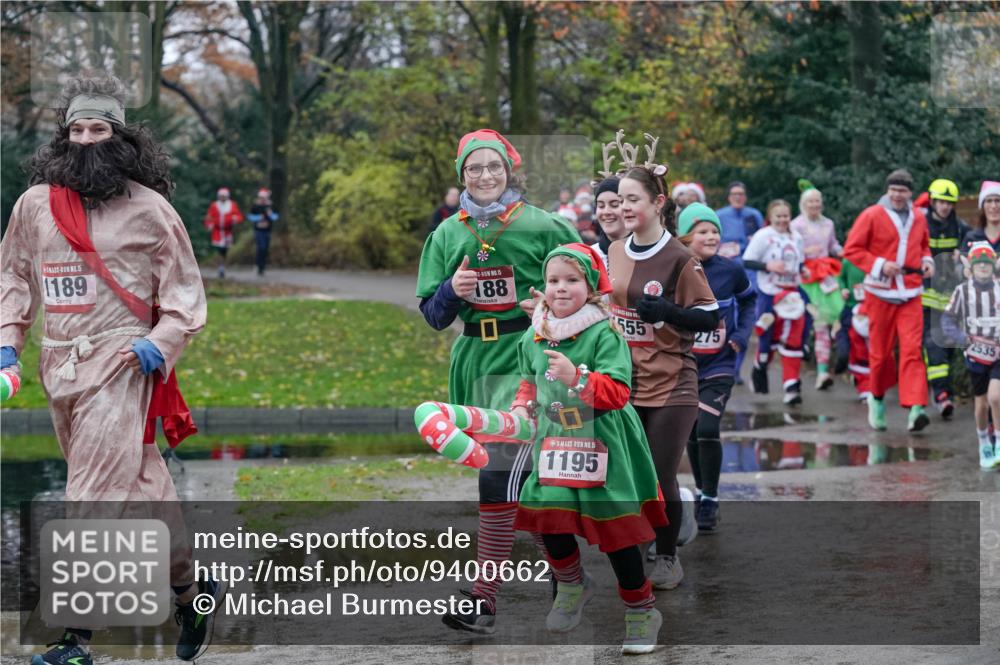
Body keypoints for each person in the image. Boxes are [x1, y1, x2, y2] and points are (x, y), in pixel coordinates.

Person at [0, 75, 220, 665]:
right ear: (62, 138)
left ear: (122, 139)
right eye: (77, 130)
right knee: (145, 487)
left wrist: (162, 339)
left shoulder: (152, 212)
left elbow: (184, 294)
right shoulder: (33, 206)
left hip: (122, 361)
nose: (87, 140)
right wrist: (7, 344)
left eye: (98, 129)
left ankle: (75, 639)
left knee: (90, 494)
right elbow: (14, 275)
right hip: (59, 365)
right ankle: (192, 595)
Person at [415, 129, 579, 633]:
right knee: (519, 480)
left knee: (508, 475)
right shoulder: (448, 234)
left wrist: (549, 305)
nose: (484, 176)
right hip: (476, 362)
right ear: (461, 175)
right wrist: (452, 288)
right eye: (473, 169)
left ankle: (485, 599)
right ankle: (567, 579)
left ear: (509, 170)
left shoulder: (546, 225)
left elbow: (589, 293)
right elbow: (433, 314)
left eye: (493, 167)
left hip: (531, 358)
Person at [511, 244, 665, 654]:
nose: (561, 289)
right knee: (547, 517)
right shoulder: (535, 331)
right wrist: (522, 403)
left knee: (616, 532)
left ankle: (641, 610)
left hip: (603, 441)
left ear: (592, 286)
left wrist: (577, 377)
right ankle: (572, 581)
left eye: (572, 280)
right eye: (553, 280)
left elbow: (618, 392)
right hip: (556, 439)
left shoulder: (605, 332)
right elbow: (528, 380)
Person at [607, 135, 719, 590]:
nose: (623, 208)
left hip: (672, 383)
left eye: (632, 200)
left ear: (657, 203)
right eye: (619, 201)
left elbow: (710, 316)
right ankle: (640, 546)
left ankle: (667, 555)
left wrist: (668, 313)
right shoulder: (614, 252)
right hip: (623, 382)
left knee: (655, 473)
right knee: (628, 473)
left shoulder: (679, 257)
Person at [676, 203, 754, 531]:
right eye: (702, 231)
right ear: (685, 236)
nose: (711, 236)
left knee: (707, 428)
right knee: (693, 430)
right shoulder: (675, 269)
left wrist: (740, 335)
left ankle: (710, 496)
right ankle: (702, 491)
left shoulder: (730, 269)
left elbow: (750, 300)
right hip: (685, 362)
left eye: (715, 231)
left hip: (720, 362)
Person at [843, 169, 934, 433]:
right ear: (887, 190)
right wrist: (881, 265)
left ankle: (916, 408)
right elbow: (852, 250)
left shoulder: (918, 217)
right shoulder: (871, 214)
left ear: (910, 193)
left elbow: (924, 245)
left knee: (912, 350)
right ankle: (878, 399)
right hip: (880, 293)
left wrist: (927, 261)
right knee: (881, 354)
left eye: (902, 191)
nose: (897, 195)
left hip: (911, 293)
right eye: (893, 190)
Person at [742, 200, 810, 405]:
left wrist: (803, 269)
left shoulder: (796, 237)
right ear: (770, 217)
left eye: (786, 216)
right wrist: (768, 265)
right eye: (778, 216)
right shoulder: (763, 235)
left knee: (793, 339)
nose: (782, 220)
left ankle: (791, 386)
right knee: (768, 339)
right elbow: (747, 260)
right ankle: (759, 367)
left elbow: (799, 261)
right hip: (769, 293)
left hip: (791, 295)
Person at [940, 242, 1000, 468]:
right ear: (971, 268)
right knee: (982, 403)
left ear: (993, 267)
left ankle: (999, 443)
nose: (983, 268)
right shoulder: (962, 291)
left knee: (996, 396)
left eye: (987, 264)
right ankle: (983, 440)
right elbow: (947, 319)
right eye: (979, 264)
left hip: (998, 353)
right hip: (975, 354)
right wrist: (959, 337)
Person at [921, 178, 970, 418]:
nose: (945, 206)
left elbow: (974, 244)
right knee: (934, 346)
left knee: (948, 348)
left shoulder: (959, 227)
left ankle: (944, 394)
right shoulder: (921, 224)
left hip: (951, 297)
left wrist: (962, 254)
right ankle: (942, 396)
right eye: (941, 201)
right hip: (926, 297)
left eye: (949, 202)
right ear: (932, 201)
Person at [790, 181, 844, 391]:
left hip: (826, 276)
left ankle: (830, 366)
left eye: (817, 201)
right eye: (810, 201)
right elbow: (793, 251)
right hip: (806, 277)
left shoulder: (828, 223)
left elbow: (833, 246)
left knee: (836, 318)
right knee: (817, 324)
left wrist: (845, 253)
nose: (814, 205)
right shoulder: (796, 225)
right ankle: (820, 370)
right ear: (803, 204)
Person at [203, 186, 244, 279]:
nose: (222, 198)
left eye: (224, 196)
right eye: (221, 196)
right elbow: (209, 217)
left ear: (227, 196)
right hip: (217, 231)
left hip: (227, 232)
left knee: (225, 250)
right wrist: (209, 225)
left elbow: (239, 216)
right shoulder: (214, 205)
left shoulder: (232, 205)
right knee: (219, 249)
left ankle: (223, 266)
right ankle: (220, 267)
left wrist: (235, 219)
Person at [590, 176, 627, 269]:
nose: (606, 212)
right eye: (601, 206)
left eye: (614, 205)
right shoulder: (589, 256)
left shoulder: (644, 253)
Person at [961, 181, 1000, 254]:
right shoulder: (972, 238)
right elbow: (962, 264)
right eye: (989, 201)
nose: (993, 206)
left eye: (998, 200)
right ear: (982, 206)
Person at [247, 188, 278, 276]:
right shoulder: (255, 206)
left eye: (264, 198)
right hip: (258, 230)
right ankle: (258, 265)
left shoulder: (270, 206)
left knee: (265, 249)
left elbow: (275, 217)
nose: (263, 200)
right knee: (261, 247)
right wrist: (258, 218)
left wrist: (270, 214)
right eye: (261, 198)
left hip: (267, 230)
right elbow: (250, 216)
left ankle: (262, 267)